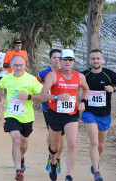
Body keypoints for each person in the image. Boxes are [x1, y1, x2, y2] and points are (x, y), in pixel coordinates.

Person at [39, 49, 89, 181]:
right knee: (55, 146)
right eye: (64, 59)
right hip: (55, 114)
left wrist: (83, 101)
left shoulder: (80, 76)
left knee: (72, 144)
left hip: (71, 115)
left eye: (70, 59)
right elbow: (43, 95)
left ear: (74, 62)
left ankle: (69, 175)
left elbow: (86, 89)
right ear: (60, 61)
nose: (67, 62)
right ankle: (54, 162)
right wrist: (56, 96)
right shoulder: (53, 75)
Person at [81, 49, 116, 181]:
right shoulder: (84, 75)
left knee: (101, 144)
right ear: (89, 61)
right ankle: (96, 172)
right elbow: (74, 86)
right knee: (94, 142)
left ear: (102, 60)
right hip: (89, 113)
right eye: (93, 59)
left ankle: (96, 160)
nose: (95, 61)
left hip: (105, 114)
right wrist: (79, 94)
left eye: (98, 58)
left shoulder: (109, 74)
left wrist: (115, 89)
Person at [0, 55, 42, 181]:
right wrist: (2, 97)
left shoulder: (31, 79)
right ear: (11, 66)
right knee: (16, 139)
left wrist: (28, 96)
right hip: (11, 115)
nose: (18, 68)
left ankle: (21, 157)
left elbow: (42, 95)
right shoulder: (7, 78)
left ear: (24, 66)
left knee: (23, 143)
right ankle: (18, 171)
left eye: (20, 65)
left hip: (27, 116)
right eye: (15, 65)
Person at [36, 49, 64, 175]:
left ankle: (57, 159)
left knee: (61, 135)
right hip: (48, 107)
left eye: (59, 57)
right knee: (52, 132)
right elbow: (35, 86)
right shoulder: (43, 74)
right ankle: (50, 156)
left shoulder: (67, 73)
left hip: (63, 108)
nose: (57, 60)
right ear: (50, 59)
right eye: (54, 57)